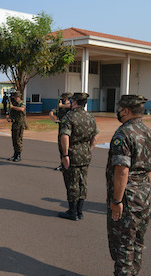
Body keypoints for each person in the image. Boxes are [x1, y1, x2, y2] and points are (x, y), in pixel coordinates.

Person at [106, 95, 151, 276]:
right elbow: (150, 169)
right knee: (137, 244)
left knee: (123, 247)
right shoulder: (150, 134)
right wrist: (140, 188)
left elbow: (122, 171)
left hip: (126, 200)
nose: (118, 112)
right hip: (143, 197)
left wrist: (116, 200)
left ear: (126, 110)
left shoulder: (123, 134)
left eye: (119, 109)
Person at [59, 92, 98, 221]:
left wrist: (65, 155)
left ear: (74, 102)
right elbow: (95, 136)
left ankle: (72, 212)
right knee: (82, 182)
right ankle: (80, 211)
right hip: (85, 154)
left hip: (73, 154)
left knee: (72, 183)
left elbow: (65, 136)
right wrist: (89, 149)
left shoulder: (69, 117)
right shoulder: (90, 117)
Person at [49, 92, 72, 171]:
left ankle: (69, 165)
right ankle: (63, 164)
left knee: (69, 148)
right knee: (61, 147)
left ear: (66, 98)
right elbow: (51, 112)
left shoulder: (71, 105)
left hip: (69, 130)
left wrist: (62, 105)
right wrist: (53, 118)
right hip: (61, 128)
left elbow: (72, 106)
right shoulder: (60, 106)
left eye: (63, 97)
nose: (61, 98)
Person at [7, 91, 26, 162]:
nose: (12, 98)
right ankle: (15, 154)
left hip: (20, 124)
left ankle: (18, 155)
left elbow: (21, 109)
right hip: (14, 124)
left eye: (14, 97)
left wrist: (13, 107)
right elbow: (11, 114)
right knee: (14, 140)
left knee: (18, 140)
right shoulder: (14, 104)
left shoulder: (21, 103)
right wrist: (9, 118)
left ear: (17, 97)